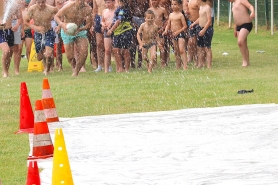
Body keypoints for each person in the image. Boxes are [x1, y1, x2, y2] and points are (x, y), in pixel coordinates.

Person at [54, 0, 92, 76]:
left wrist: (81, 29)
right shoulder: (68, 6)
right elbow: (56, 16)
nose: (81, 2)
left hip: (79, 29)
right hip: (67, 30)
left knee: (84, 53)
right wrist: (62, 25)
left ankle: (76, 71)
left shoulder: (88, 9)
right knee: (70, 57)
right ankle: (73, 65)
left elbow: (89, 24)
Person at [24, 0, 58, 75]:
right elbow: (26, 21)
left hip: (49, 32)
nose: (41, 4)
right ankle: (47, 65)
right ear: (36, 2)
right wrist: (35, 27)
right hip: (38, 33)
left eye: (42, 2)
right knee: (40, 57)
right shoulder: (32, 9)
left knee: (48, 53)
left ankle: (47, 69)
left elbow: (60, 15)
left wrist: (59, 26)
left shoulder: (51, 9)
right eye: (39, 2)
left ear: (45, 1)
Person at [106, 0, 133, 72]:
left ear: (122, 2)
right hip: (117, 32)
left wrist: (111, 30)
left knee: (125, 51)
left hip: (125, 31)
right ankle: (120, 68)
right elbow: (115, 20)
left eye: (118, 1)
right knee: (116, 50)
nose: (116, 3)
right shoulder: (118, 9)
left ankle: (126, 69)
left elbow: (118, 21)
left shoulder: (124, 9)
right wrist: (110, 25)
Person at [163, 0, 188, 70]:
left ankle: (185, 65)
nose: (173, 6)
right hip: (173, 34)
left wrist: (178, 32)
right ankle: (178, 64)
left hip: (180, 34)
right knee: (176, 51)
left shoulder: (181, 15)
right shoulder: (171, 15)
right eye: (172, 4)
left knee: (181, 50)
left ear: (179, 6)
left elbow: (185, 26)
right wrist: (165, 30)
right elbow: (168, 24)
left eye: (175, 4)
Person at [0, 2, 23, 77]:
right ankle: (5, 72)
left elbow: (20, 17)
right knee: (6, 51)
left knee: (10, 53)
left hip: (9, 30)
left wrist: (17, 25)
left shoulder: (13, 4)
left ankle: (7, 71)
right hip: (0, 31)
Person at [230, 0, 255, 67]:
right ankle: (246, 61)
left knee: (240, 41)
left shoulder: (241, 0)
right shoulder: (233, 3)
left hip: (246, 24)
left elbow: (250, 6)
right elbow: (236, 16)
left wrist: (252, 12)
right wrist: (235, 28)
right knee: (243, 44)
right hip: (238, 26)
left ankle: (245, 61)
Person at [190, 0, 213, 68]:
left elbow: (209, 20)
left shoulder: (207, 7)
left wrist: (204, 30)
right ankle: (200, 63)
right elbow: (200, 18)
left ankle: (209, 65)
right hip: (200, 28)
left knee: (207, 48)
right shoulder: (201, 7)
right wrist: (193, 24)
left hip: (207, 29)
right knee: (199, 47)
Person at [148, 0, 168, 67]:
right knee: (153, 46)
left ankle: (163, 63)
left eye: (155, 0)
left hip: (160, 30)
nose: (154, 2)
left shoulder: (162, 10)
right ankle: (154, 63)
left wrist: (163, 28)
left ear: (159, 1)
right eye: (152, 0)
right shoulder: (149, 10)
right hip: (152, 30)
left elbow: (167, 20)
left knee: (161, 46)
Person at [130, 0, 150, 69]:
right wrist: (133, 23)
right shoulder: (132, 2)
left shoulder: (145, 1)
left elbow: (148, 10)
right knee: (133, 44)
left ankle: (139, 64)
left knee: (141, 43)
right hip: (134, 19)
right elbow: (130, 11)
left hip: (143, 19)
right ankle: (132, 63)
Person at [101, 0, 116, 73]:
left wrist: (112, 27)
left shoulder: (117, 10)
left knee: (116, 50)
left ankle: (118, 67)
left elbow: (119, 21)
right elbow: (103, 20)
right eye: (106, 2)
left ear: (113, 2)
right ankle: (106, 69)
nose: (107, 4)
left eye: (109, 2)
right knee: (107, 50)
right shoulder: (104, 11)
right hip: (107, 31)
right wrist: (103, 24)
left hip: (116, 31)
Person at [92, 0, 106, 72]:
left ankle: (107, 65)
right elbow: (94, 10)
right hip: (98, 17)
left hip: (107, 17)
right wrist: (93, 24)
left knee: (108, 44)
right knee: (99, 44)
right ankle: (100, 65)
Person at [187, 0, 200, 66]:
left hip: (198, 23)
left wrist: (195, 23)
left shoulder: (198, 1)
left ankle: (198, 60)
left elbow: (203, 14)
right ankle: (192, 58)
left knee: (196, 43)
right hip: (191, 23)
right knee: (191, 42)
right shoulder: (189, 1)